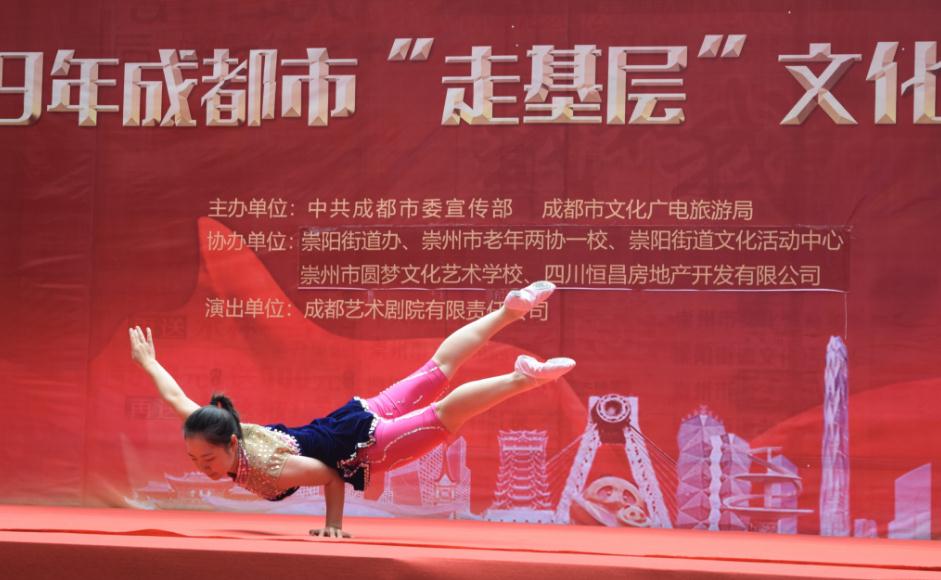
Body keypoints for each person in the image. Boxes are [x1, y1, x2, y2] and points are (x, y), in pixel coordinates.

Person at [128, 281, 575, 538]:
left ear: (231, 443)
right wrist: (148, 363)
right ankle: (509, 311)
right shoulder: (220, 427)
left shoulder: (265, 466)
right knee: (437, 368)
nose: (202, 467)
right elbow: (177, 400)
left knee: (445, 415)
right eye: (194, 460)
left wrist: (334, 526)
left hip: (365, 446)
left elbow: (329, 475)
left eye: (207, 459)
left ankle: (523, 379)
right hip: (351, 417)